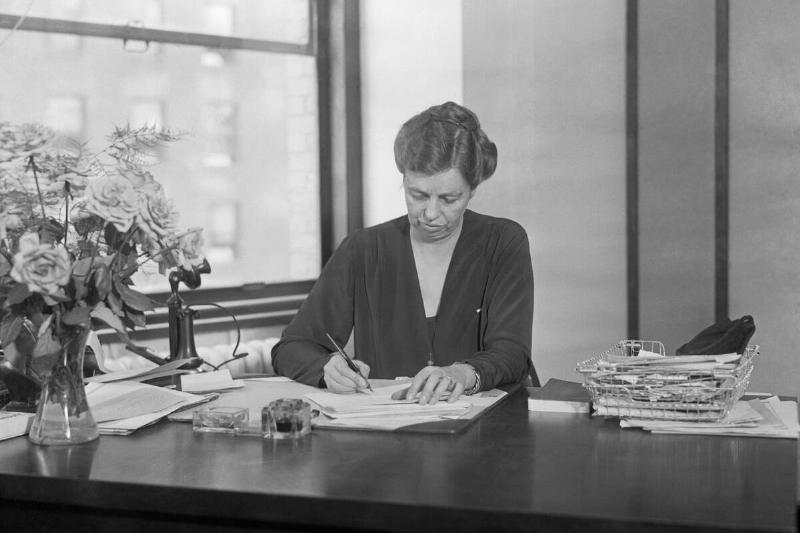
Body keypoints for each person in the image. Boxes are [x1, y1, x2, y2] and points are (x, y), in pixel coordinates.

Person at [271, 101, 536, 404]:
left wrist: (463, 374)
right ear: (404, 179)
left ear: (472, 190)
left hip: (489, 432)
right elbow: (291, 347)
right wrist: (326, 368)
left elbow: (513, 353)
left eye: (449, 199)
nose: (431, 213)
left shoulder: (503, 242)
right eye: (418, 195)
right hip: (393, 435)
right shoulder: (364, 250)